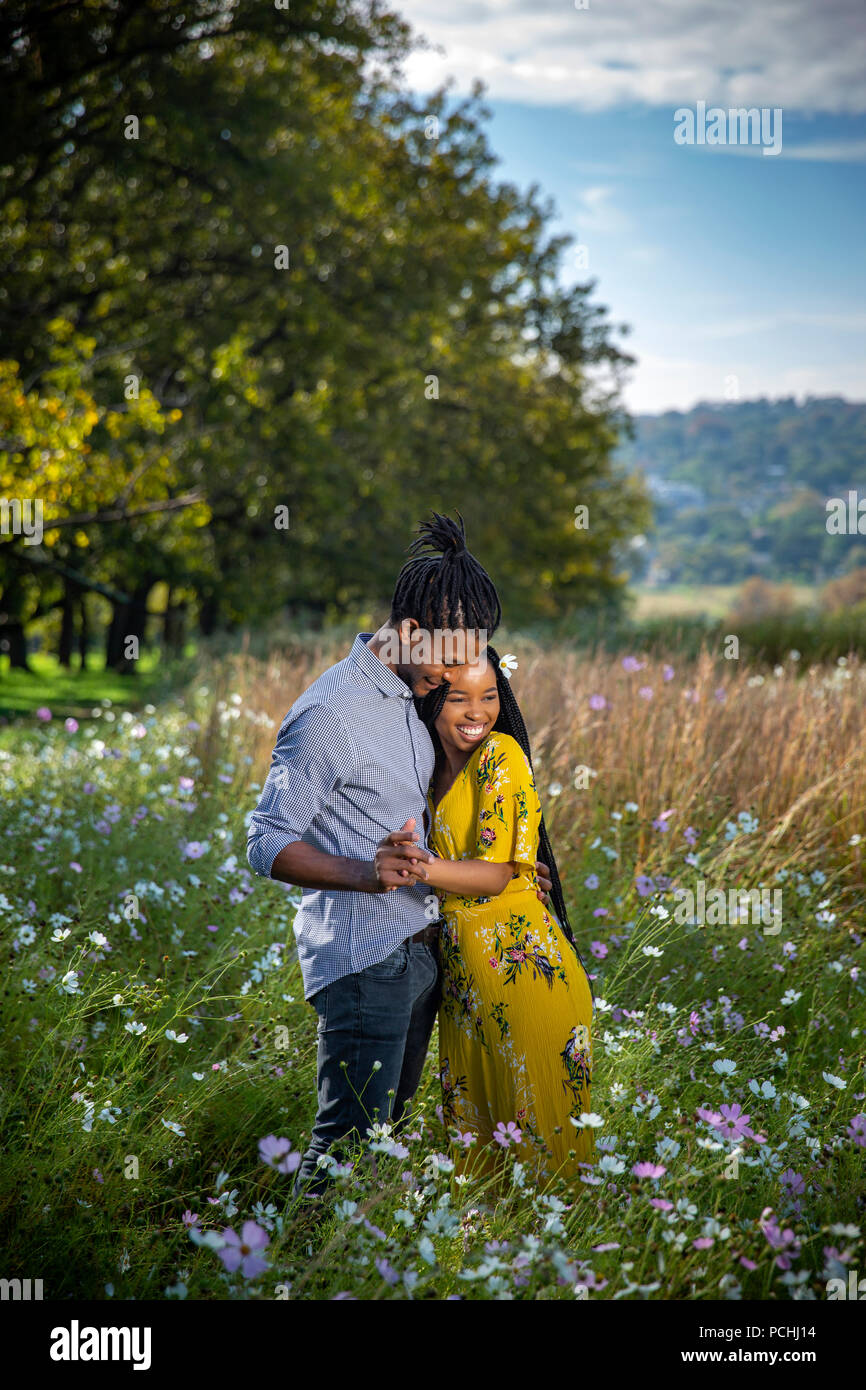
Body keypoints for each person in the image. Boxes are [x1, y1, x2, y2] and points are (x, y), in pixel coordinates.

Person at [247, 513, 527, 1196]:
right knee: (345, 1146)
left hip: (419, 952)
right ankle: (301, 1267)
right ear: (407, 632)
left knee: (382, 1143)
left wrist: (510, 876)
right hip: (367, 962)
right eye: (444, 660)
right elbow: (266, 840)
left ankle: (353, 1267)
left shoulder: (412, 694)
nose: (451, 675)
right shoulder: (329, 715)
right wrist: (362, 874)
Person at [386, 647, 595, 1184]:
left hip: (525, 975)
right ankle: (489, 1261)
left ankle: (564, 1261)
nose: (477, 712)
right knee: (478, 1141)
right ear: (433, 701)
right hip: (467, 982)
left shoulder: (501, 755)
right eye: (458, 697)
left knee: (544, 1143)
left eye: (490, 696)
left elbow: (496, 873)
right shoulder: (424, 770)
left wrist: (417, 867)